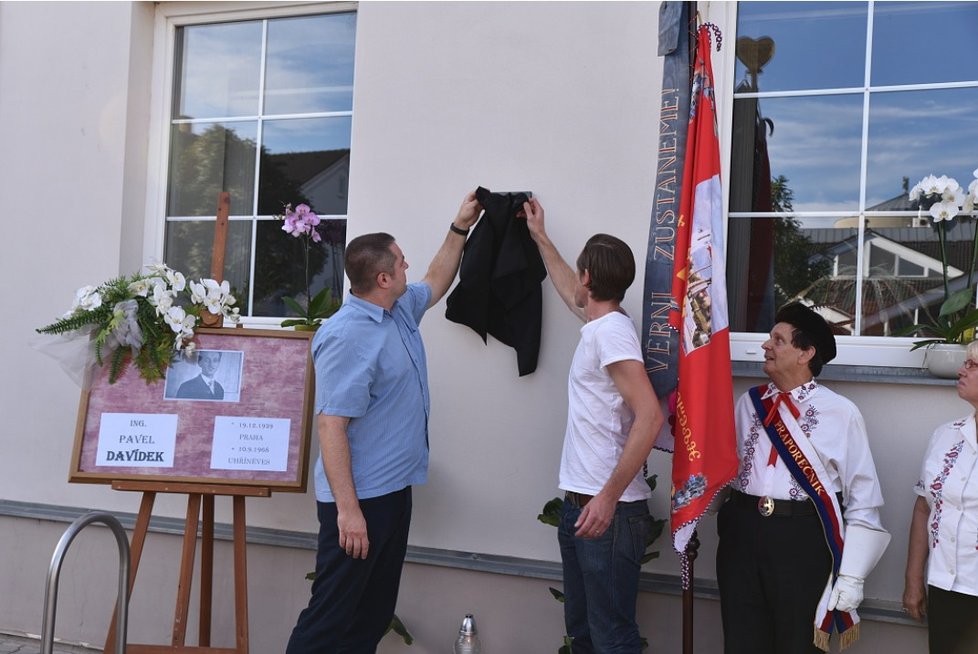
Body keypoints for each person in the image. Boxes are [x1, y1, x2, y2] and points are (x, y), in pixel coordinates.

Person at [285, 192, 482, 653]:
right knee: (328, 619)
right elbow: (331, 427)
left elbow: (436, 279)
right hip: (360, 503)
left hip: (394, 493)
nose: (408, 266)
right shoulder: (347, 335)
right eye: (400, 262)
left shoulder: (398, 310)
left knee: (370, 617)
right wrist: (349, 513)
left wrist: (459, 226)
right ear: (382, 278)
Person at [522, 197, 664, 653]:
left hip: (610, 511)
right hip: (582, 506)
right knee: (584, 632)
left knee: (611, 637)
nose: (576, 283)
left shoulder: (613, 333)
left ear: (590, 278)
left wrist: (606, 498)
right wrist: (541, 237)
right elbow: (570, 294)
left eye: (580, 273)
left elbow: (650, 415)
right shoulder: (603, 322)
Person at [716, 302, 890, 653]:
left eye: (778, 340)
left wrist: (853, 577)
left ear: (806, 353)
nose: (766, 346)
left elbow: (863, 497)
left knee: (797, 644)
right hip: (741, 535)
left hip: (802, 542)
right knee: (741, 640)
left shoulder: (840, 413)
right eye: (769, 338)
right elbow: (724, 472)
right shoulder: (748, 403)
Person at [902, 339, 978, 654]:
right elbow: (924, 508)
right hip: (946, 588)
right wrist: (913, 579)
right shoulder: (946, 435)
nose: (962, 370)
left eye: (973, 365)